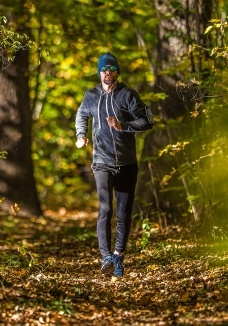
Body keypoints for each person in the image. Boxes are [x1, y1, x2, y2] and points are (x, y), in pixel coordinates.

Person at [75, 52, 155, 277]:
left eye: (111, 68)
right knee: (105, 209)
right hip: (101, 162)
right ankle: (106, 257)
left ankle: (119, 255)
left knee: (123, 213)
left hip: (126, 163)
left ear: (118, 71)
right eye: (103, 69)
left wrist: (123, 125)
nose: (107, 72)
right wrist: (81, 135)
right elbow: (81, 115)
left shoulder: (128, 95)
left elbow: (147, 121)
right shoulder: (91, 96)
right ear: (99, 72)